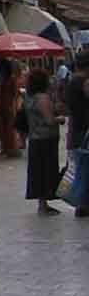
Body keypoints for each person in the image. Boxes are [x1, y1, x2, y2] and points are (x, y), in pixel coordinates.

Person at [23, 68, 62, 214]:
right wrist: (60, 119)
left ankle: (42, 203)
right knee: (47, 170)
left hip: (34, 138)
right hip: (47, 139)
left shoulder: (29, 97)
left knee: (37, 171)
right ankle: (44, 202)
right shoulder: (43, 98)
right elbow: (49, 120)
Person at [66, 51, 89, 217]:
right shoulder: (84, 82)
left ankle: (81, 203)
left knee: (79, 167)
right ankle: (84, 203)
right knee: (85, 166)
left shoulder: (71, 81)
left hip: (75, 129)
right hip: (85, 130)